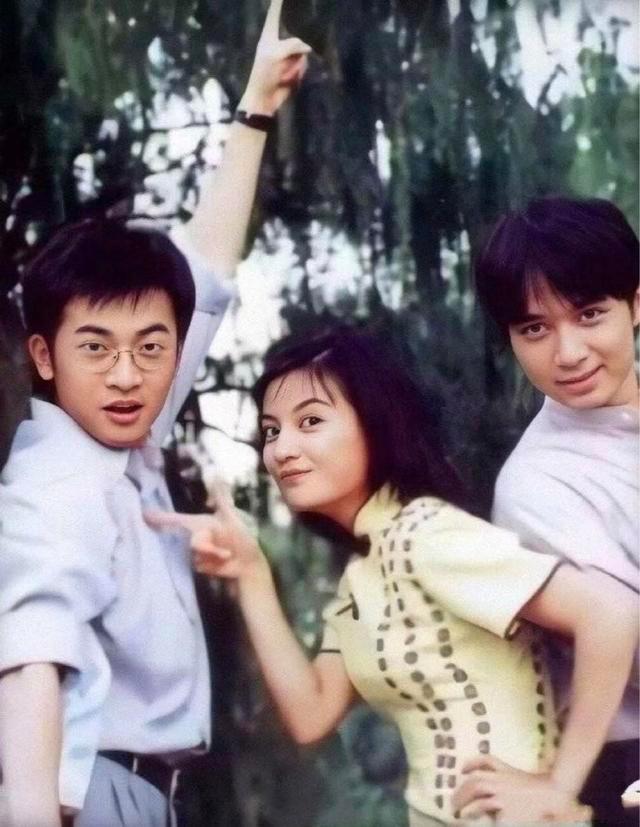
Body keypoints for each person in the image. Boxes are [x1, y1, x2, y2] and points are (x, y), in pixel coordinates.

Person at [0, 3, 310, 825]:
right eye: (96, 346)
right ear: (44, 356)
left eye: (151, 346)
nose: (127, 374)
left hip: (138, 793)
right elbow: (29, 662)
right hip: (85, 795)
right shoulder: (56, 482)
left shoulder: (122, 432)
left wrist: (255, 110)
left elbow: (203, 268)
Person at [147, 326, 637, 825]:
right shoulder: (366, 573)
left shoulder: (426, 534)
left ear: (375, 424)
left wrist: (559, 786)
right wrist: (251, 574)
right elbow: (311, 714)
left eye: (310, 421)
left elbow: (611, 615)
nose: (281, 449)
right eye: (271, 430)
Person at [469, 196, 639, 825]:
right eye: (535, 329)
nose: (568, 353)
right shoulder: (536, 487)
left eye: (589, 314)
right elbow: (625, 638)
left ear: (636, 304)